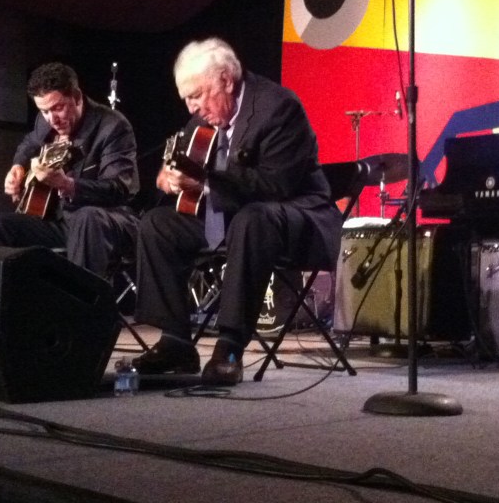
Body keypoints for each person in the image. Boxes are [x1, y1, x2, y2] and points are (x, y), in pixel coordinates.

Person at [132, 37, 342, 385]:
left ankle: (230, 347)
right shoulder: (201, 121)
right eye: (186, 99)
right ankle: (175, 342)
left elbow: (276, 186)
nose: (191, 108)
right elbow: (184, 168)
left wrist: (207, 182)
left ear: (226, 80)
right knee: (157, 224)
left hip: (294, 219)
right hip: (229, 220)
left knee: (253, 218)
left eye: (197, 96)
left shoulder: (278, 108)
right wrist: (167, 178)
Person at [0, 62, 140, 277]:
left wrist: (66, 184)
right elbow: (29, 143)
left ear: (77, 97)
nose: (52, 119)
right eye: (44, 111)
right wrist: (17, 166)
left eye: (58, 108)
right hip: (60, 223)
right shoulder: (45, 121)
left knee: (86, 218)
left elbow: (119, 189)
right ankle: (14, 297)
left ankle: (80, 298)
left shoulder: (113, 126)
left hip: (106, 221)